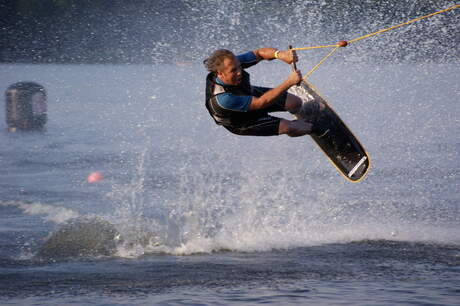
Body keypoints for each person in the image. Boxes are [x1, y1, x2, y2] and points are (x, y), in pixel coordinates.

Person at [204, 48, 326, 137]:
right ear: (219, 73)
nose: (239, 72)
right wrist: (289, 82)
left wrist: (280, 54)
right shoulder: (222, 99)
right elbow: (261, 103)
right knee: (288, 127)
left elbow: (258, 53)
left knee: (295, 102)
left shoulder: (233, 63)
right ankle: (314, 128)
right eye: (233, 71)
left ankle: (303, 115)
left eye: (239, 67)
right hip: (242, 121)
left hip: (248, 96)